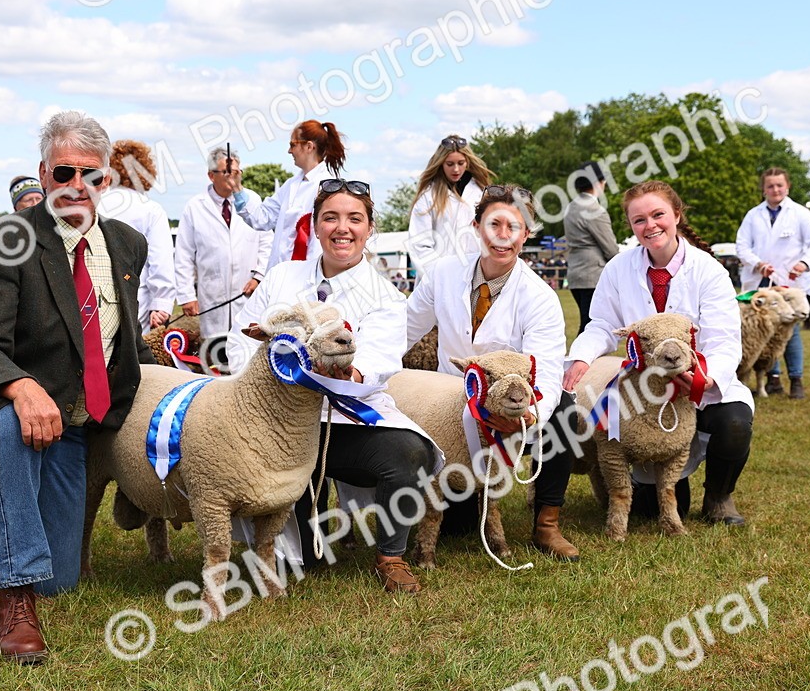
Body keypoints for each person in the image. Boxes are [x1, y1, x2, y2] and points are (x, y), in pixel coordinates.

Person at [0, 111, 155, 664]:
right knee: (12, 426)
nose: (78, 186)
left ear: (108, 181)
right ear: (44, 174)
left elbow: (122, 340)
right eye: (65, 172)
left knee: (63, 580)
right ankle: (15, 602)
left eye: (92, 175)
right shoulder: (5, 240)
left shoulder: (127, 245)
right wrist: (19, 386)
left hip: (69, 424)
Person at [226, 178, 437, 594]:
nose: (343, 228)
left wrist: (351, 375)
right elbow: (240, 338)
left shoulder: (387, 296)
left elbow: (377, 360)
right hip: (280, 423)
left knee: (407, 452)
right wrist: (253, 391)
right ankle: (295, 528)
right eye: (331, 218)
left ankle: (391, 555)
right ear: (315, 225)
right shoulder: (281, 277)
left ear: (369, 228)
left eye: (354, 218)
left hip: (342, 420)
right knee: (300, 561)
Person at [563, 180, 754, 526]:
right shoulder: (618, 269)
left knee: (735, 421)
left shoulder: (709, 271)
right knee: (652, 511)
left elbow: (724, 340)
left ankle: (719, 497)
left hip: (697, 380)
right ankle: (652, 485)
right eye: (639, 220)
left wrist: (702, 379)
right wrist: (581, 356)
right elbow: (603, 324)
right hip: (646, 386)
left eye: (658, 215)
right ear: (631, 227)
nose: (649, 226)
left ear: (676, 215)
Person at [407, 184, 576, 559]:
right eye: (494, 224)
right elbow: (404, 329)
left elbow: (545, 371)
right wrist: (364, 369)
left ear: (526, 233)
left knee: (565, 410)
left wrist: (528, 418)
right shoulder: (443, 273)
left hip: (509, 407)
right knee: (459, 525)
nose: (503, 236)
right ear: (476, 226)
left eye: (513, 227)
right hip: (448, 406)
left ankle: (547, 524)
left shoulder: (540, 297)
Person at [735, 167, 810, 399]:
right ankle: (772, 379)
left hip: (790, 283)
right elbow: (742, 246)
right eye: (770, 186)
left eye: (779, 185)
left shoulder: (800, 214)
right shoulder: (753, 215)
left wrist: (804, 263)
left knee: (791, 331)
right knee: (765, 332)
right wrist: (757, 264)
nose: (775, 189)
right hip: (762, 282)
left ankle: (796, 379)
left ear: (788, 187)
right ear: (763, 189)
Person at [174, 146, 271, 353]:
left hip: (246, 292)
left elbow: (266, 242)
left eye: (236, 172)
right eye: (227, 172)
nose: (233, 177)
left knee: (246, 350)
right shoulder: (195, 206)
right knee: (214, 355)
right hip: (212, 296)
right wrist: (186, 295)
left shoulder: (252, 200)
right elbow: (183, 254)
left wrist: (259, 276)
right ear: (211, 175)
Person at [235, 120, 346, 271]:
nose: (289, 151)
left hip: (308, 278)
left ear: (309, 146)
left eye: (293, 144)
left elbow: (321, 245)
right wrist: (236, 188)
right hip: (279, 276)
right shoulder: (290, 185)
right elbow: (261, 218)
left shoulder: (329, 188)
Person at [97, 140, 176, 331]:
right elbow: (160, 260)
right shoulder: (151, 210)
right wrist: (161, 304)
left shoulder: (96, 203)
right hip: (137, 300)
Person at [405, 134, 494, 276]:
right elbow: (419, 244)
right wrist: (440, 276)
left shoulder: (481, 193)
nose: (456, 169)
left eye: (461, 163)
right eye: (450, 164)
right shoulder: (428, 197)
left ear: (468, 162)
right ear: (441, 163)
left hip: (476, 275)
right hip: (439, 279)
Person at [563, 161, 620, 335]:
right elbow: (610, 249)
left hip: (575, 273)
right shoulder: (595, 210)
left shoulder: (570, 207)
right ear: (597, 183)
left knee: (586, 323)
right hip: (593, 274)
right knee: (591, 327)